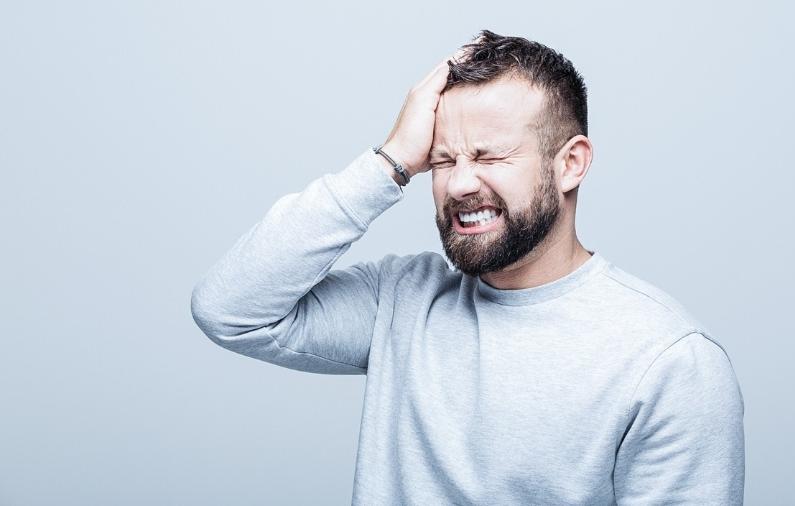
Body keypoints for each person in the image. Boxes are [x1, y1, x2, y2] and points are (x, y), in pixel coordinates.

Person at [190, 29, 745, 505]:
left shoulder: (672, 364)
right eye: (440, 160)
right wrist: (390, 162)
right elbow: (229, 309)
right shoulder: (401, 300)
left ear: (571, 163)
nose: (457, 184)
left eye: (488, 156)